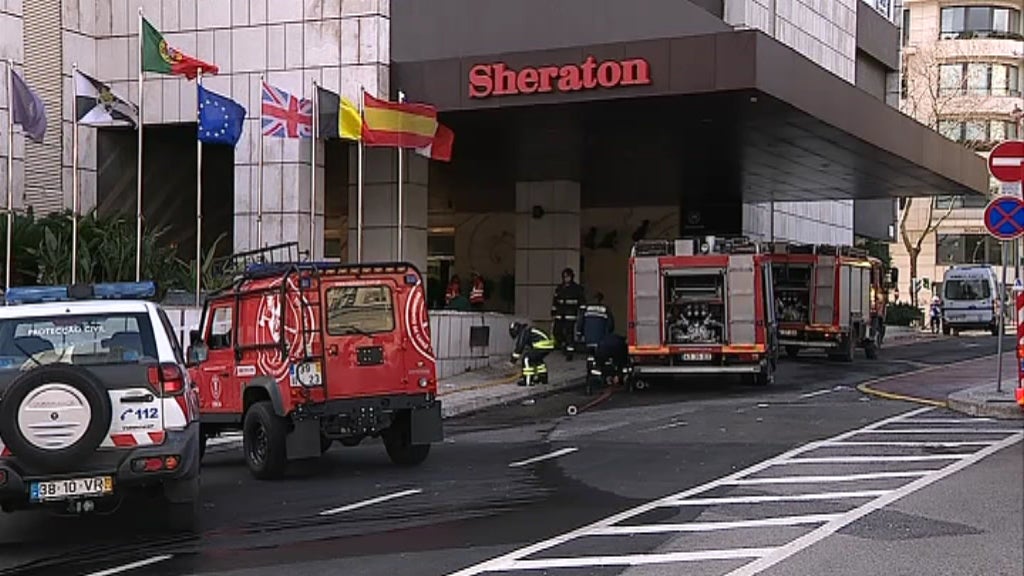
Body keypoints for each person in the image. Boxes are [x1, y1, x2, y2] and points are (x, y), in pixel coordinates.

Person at [576, 292, 614, 391]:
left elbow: (580, 322)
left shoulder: (585, 309)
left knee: (590, 358)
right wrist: (607, 335)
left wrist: (580, 334)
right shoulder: (605, 309)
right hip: (600, 340)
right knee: (601, 359)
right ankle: (600, 378)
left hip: (588, 340)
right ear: (601, 299)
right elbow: (610, 325)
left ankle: (589, 379)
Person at [551, 268, 585, 360]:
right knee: (556, 332)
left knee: (569, 334)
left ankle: (569, 352)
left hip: (570, 315)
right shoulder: (559, 288)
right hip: (560, 314)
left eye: (568, 276)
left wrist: (581, 314)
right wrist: (553, 312)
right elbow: (555, 301)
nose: (566, 278)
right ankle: (563, 345)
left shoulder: (577, 289)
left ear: (571, 277)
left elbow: (582, 302)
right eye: (564, 277)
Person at [509, 321, 555, 387]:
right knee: (537, 359)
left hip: (542, 345)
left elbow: (519, 347)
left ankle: (528, 380)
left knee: (526, 358)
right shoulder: (527, 330)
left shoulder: (523, 332)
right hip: (548, 345)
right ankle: (543, 378)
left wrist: (512, 361)